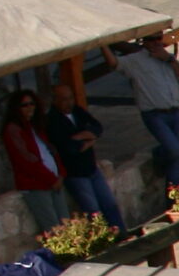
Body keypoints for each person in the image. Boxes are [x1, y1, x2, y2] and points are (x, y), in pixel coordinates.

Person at [112, 32, 179, 202]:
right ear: (144, 42)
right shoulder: (135, 60)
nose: (156, 43)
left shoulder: (166, 58)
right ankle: (175, 197)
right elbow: (115, 64)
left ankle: (175, 200)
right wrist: (104, 45)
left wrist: (170, 60)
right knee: (175, 151)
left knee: (175, 157)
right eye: (151, 39)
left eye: (159, 38)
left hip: (174, 111)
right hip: (154, 114)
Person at [43, 80, 123, 229]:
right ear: (55, 101)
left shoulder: (77, 111)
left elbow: (97, 127)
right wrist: (85, 139)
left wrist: (81, 137)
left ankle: (121, 233)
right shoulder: (53, 121)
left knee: (110, 204)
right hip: (75, 173)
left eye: (70, 98)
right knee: (92, 210)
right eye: (64, 99)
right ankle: (104, 241)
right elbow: (68, 147)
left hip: (91, 167)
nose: (69, 103)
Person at [0, 87, 67, 232]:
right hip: (37, 185)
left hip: (54, 181)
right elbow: (26, 161)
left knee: (66, 223)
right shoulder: (14, 130)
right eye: (25, 105)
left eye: (32, 104)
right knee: (53, 228)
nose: (29, 108)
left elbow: (51, 151)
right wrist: (51, 179)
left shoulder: (36, 126)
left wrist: (60, 174)